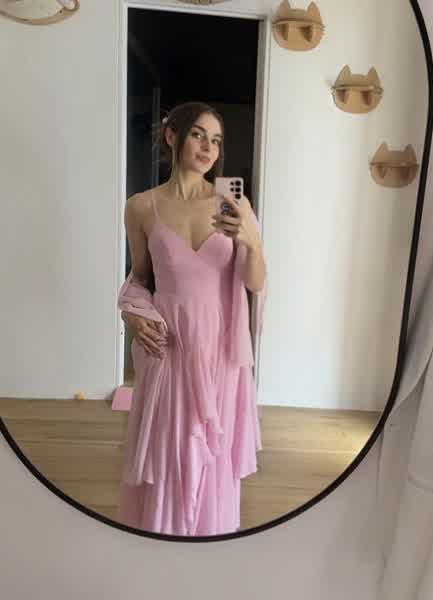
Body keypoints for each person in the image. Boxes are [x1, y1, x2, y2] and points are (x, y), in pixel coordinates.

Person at [117, 101, 267, 536]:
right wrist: (132, 315)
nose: (207, 148)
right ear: (172, 136)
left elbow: (255, 282)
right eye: (199, 135)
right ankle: (163, 534)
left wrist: (252, 241)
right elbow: (140, 279)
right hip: (170, 347)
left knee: (211, 452)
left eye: (216, 140)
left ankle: (208, 535)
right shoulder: (141, 207)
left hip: (219, 349)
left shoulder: (232, 201)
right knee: (171, 448)